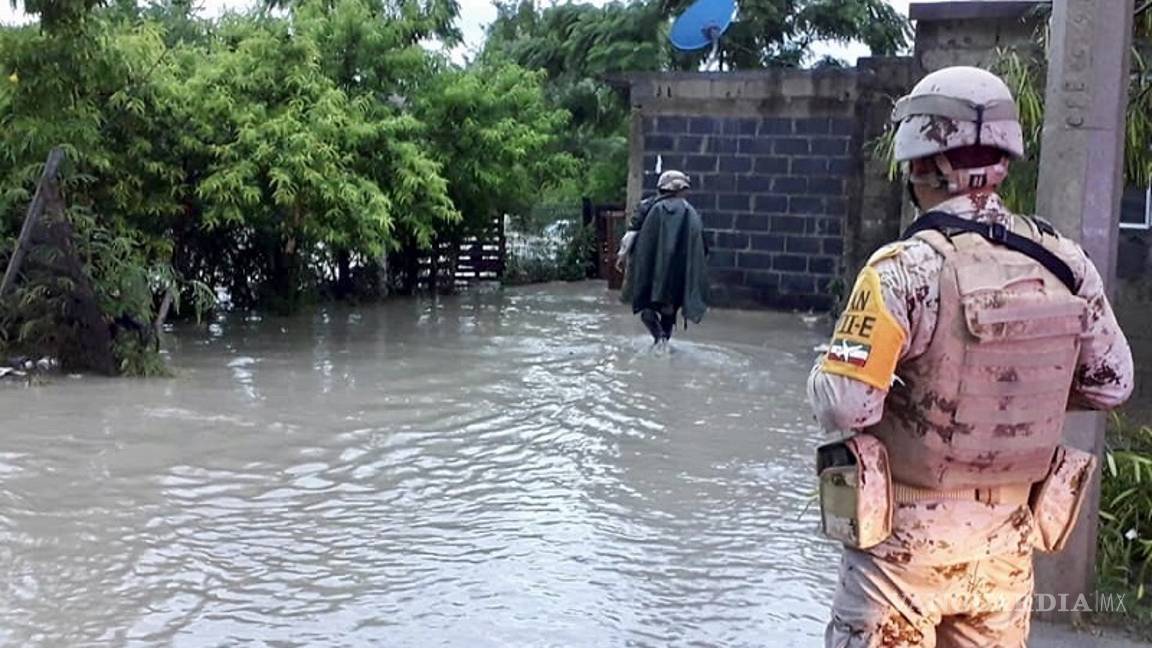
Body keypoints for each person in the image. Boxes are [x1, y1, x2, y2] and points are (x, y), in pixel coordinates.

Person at [807, 66, 1134, 647]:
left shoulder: (903, 270)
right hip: (1006, 544)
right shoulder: (1066, 264)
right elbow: (1112, 384)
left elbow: (848, 406)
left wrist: (829, 366)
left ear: (919, 164)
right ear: (1007, 157)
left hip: (901, 549)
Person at [616, 170, 709, 348]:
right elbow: (701, 244)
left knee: (650, 309)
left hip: (653, 271)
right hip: (671, 272)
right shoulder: (687, 211)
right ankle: (663, 343)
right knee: (667, 309)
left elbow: (631, 234)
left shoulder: (650, 206)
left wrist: (622, 255)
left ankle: (660, 343)